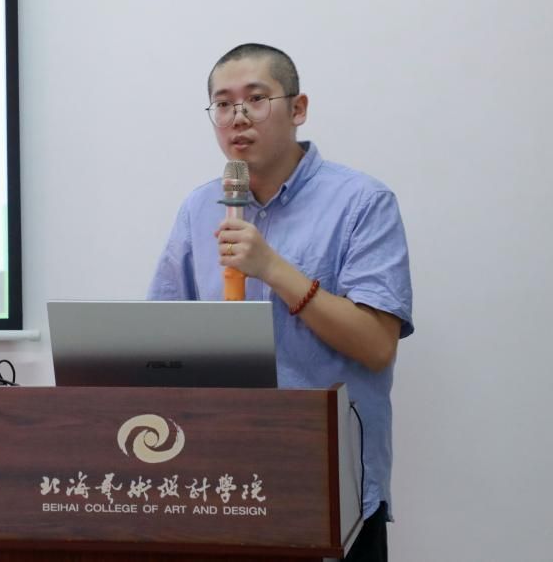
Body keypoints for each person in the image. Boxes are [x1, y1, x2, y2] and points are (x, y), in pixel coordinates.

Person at [146, 44, 413, 562]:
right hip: (219, 481)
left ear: (298, 108)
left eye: (256, 99)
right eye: (223, 104)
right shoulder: (200, 207)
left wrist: (273, 269)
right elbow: (160, 340)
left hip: (329, 484)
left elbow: (377, 346)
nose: (238, 117)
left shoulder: (362, 202)